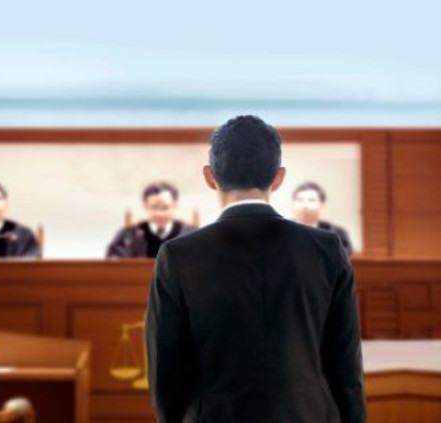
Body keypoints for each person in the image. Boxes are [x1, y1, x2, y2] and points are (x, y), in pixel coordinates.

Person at [145, 116, 366, 423]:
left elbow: (165, 372)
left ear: (210, 177)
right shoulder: (327, 249)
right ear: (278, 177)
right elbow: (346, 368)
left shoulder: (178, 256)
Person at [106, 182, 196, 258]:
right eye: (154, 207)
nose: (159, 214)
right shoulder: (128, 234)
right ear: (145, 206)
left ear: (175, 206)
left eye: (165, 207)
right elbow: (114, 262)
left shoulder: (191, 234)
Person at [293, 181, 353, 257]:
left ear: (322, 205)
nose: (305, 205)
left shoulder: (336, 233)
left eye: (311, 200)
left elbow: (343, 258)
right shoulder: (283, 230)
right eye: (300, 200)